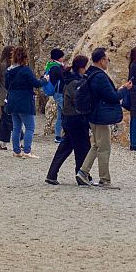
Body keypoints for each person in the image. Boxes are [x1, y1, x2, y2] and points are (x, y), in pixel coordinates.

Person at [77, 47, 124, 187]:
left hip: (92, 114)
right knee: (104, 148)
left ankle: (83, 172)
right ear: (102, 60)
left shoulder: (90, 73)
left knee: (97, 145)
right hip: (101, 116)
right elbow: (111, 96)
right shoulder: (100, 76)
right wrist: (123, 91)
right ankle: (104, 179)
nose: (108, 62)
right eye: (107, 59)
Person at [46, 55, 92, 185]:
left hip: (69, 118)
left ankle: (52, 174)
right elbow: (78, 100)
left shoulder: (69, 78)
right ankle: (82, 175)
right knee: (81, 148)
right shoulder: (76, 82)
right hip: (76, 119)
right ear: (82, 67)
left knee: (65, 148)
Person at [4, 46, 49, 157]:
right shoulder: (25, 70)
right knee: (30, 127)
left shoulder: (9, 71)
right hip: (24, 100)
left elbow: (6, 86)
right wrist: (45, 80)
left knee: (16, 127)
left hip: (12, 100)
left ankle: (16, 151)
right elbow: (36, 84)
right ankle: (27, 151)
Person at [45, 48, 66, 143]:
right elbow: (64, 78)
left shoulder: (50, 66)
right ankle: (66, 134)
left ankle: (58, 136)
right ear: (58, 57)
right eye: (62, 57)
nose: (63, 58)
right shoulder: (57, 68)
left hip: (55, 93)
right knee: (66, 112)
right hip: (60, 93)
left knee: (60, 115)